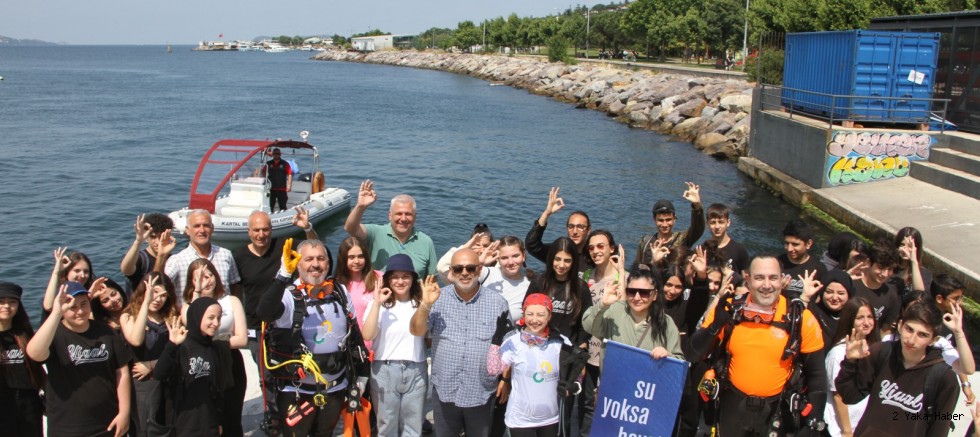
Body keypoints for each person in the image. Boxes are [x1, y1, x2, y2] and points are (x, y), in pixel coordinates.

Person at [691, 255, 827, 436]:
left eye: (773, 278)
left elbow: (817, 375)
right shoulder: (730, 310)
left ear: (782, 280)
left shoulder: (801, 318)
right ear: (747, 279)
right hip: (731, 406)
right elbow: (693, 353)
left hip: (776, 411)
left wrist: (814, 420)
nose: (766, 285)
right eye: (759, 278)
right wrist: (716, 325)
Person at [257, 238, 370, 436]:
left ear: (328, 263)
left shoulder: (340, 293)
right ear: (298, 263)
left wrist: (362, 376)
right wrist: (283, 274)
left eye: (320, 259)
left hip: (335, 389)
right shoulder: (288, 296)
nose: (315, 265)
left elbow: (354, 336)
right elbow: (264, 312)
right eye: (308, 259)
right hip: (297, 393)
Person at [410, 248, 510, 437]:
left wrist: (505, 379)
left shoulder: (498, 303)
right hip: (446, 389)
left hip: (481, 391)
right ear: (451, 272)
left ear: (479, 270)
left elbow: (507, 346)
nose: (464, 273)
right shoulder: (437, 299)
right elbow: (416, 330)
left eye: (470, 268)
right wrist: (425, 304)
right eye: (458, 269)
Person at [835, 300, 959, 437]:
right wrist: (850, 361)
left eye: (922, 335)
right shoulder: (881, 353)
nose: (911, 340)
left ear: (934, 340)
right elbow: (849, 396)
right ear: (900, 325)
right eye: (909, 329)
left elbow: (939, 429)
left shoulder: (944, 378)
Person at [27, 281, 133, 437]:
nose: (80, 311)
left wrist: (124, 412)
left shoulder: (107, 332)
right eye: (72, 307)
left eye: (84, 304)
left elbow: (121, 373)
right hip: (67, 426)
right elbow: (34, 353)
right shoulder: (53, 335)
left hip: (108, 421)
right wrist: (56, 313)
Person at [487, 293, 587, 437]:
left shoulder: (560, 341)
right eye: (530, 314)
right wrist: (496, 342)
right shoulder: (514, 342)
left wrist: (575, 386)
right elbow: (493, 370)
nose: (535, 320)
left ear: (549, 316)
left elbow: (578, 368)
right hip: (520, 419)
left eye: (540, 315)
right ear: (524, 315)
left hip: (551, 418)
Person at [361, 254, 428, 437]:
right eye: (395, 277)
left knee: (413, 427)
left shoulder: (420, 303)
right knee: (386, 426)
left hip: (416, 368)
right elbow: (367, 334)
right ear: (388, 279)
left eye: (405, 276)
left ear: (413, 279)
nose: (400, 281)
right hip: (385, 369)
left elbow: (424, 333)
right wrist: (376, 304)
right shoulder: (380, 305)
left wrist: (426, 303)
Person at [182, 258, 249, 437]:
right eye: (200, 277)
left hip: (229, 362)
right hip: (201, 366)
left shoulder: (231, 300)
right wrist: (197, 291)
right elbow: (192, 325)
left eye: (209, 275)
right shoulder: (187, 306)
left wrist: (212, 342)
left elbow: (242, 339)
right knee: (208, 416)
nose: (207, 280)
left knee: (232, 416)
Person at [154, 297, 232, 436]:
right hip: (183, 425)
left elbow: (218, 390)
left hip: (209, 424)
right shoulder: (182, 345)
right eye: (211, 318)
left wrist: (219, 422)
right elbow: (159, 374)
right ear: (197, 316)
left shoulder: (214, 348)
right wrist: (172, 345)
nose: (216, 323)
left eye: (219, 318)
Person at [120, 272, 178, 436]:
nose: (158, 299)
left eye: (163, 295)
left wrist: (152, 365)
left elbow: (180, 352)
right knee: (146, 427)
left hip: (168, 377)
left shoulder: (171, 316)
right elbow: (136, 340)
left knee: (170, 423)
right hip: (144, 384)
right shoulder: (128, 316)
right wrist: (145, 303)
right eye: (154, 293)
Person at [344, 179, 437, 278]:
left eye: (408, 214)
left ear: (415, 217)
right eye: (399, 214)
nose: (403, 218)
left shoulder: (426, 242)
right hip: (379, 292)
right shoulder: (375, 233)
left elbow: (431, 279)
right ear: (390, 215)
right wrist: (360, 206)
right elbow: (350, 228)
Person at [824, 297, 878, 437]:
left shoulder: (876, 349)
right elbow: (838, 396)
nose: (866, 322)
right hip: (843, 429)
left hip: (865, 427)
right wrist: (847, 432)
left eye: (870, 317)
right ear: (850, 320)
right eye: (860, 318)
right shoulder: (838, 352)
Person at [165, 209, 241, 302]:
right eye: (197, 226)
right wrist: (161, 256)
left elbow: (235, 284)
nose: (202, 230)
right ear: (188, 230)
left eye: (206, 225)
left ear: (212, 228)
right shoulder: (177, 260)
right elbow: (160, 285)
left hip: (222, 315)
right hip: (190, 314)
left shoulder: (226, 255)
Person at [0, 282, 45, 437]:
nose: (6, 306)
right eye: (1, 301)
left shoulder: (24, 334)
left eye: (12, 302)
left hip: (28, 401)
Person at [634, 182, 705, 266]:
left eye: (668, 220)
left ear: (674, 219)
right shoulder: (645, 243)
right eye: (660, 220)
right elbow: (637, 269)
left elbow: (698, 229)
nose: (664, 224)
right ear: (654, 220)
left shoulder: (682, 239)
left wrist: (697, 206)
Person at [334, 235, 382, 350]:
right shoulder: (336, 285)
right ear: (343, 259)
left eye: (360, 256)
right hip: (349, 348)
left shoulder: (380, 279)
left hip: (377, 347)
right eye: (351, 257)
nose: (356, 261)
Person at [525, 187, 592, 268]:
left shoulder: (593, 256)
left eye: (580, 227)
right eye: (571, 226)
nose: (575, 231)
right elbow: (532, 245)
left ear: (588, 230)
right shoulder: (557, 252)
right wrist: (546, 213)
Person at [852, 239, 901, 337]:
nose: (885, 274)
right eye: (880, 267)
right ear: (869, 263)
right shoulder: (852, 284)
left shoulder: (891, 295)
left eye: (890, 269)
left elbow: (886, 329)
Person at [120, 213, 175, 291]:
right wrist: (138, 241)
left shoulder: (172, 259)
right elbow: (126, 269)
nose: (158, 242)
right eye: (153, 237)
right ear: (147, 238)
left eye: (161, 237)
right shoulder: (141, 259)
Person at [778, 219, 826, 298]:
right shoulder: (775, 263)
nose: (789, 249)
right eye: (786, 243)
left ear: (808, 244)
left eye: (795, 244)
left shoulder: (819, 269)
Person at [806, 269, 853, 348]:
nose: (834, 297)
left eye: (841, 293)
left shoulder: (854, 315)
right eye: (829, 292)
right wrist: (805, 297)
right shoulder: (811, 311)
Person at [42, 247, 96, 313]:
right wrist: (56, 272)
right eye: (77, 271)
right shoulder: (59, 293)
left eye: (86, 271)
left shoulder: (91, 291)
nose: (82, 275)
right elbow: (48, 306)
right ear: (67, 272)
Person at [705, 203, 749, 275]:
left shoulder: (739, 250)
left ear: (728, 223)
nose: (717, 226)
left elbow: (745, 278)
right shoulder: (703, 249)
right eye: (713, 222)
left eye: (721, 222)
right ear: (707, 224)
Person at [891, 227, 932, 299]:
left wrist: (913, 261)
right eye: (902, 245)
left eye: (910, 246)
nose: (905, 249)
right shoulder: (890, 268)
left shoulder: (924, 273)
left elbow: (920, 295)